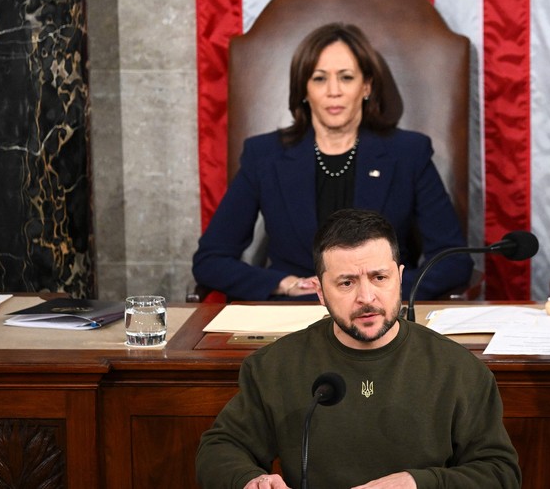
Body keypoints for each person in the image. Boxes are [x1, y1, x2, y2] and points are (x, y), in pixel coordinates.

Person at [196, 209, 522, 489]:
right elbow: (220, 448)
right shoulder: (276, 366)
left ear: (400, 277)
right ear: (321, 292)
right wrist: (251, 480)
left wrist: (418, 482)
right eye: (347, 282)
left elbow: (499, 472)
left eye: (379, 277)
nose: (367, 297)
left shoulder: (458, 368)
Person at [192, 23, 472, 301]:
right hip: (294, 317)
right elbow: (210, 260)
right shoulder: (264, 155)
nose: (333, 91)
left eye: (346, 77)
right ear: (304, 89)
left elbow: (452, 262)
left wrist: (378, 289)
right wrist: (284, 283)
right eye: (319, 78)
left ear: (366, 87)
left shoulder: (408, 153)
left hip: (380, 313)